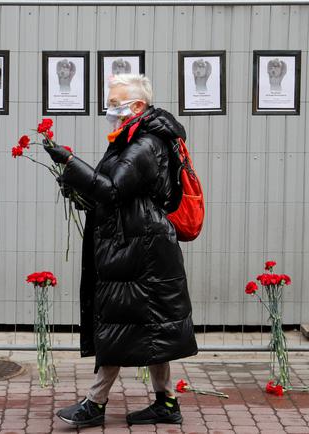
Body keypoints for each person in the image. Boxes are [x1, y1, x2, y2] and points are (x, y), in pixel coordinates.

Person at [43, 74, 198, 427]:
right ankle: (166, 402)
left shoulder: (145, 145)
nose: (110, 109)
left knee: (119, 322)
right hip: (138, 243)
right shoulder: (131, 139)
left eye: (116, 103)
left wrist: (71, 163)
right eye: (110, 102)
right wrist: (73, 183)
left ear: (138, 106)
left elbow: (112, 190)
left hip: (138, 248)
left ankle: (94, 404)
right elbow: (111, 193)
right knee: (151, 323)